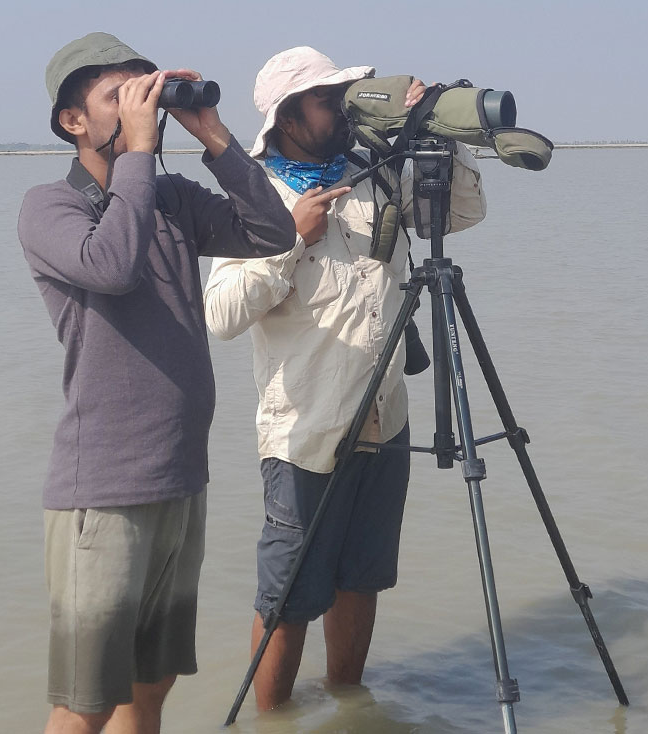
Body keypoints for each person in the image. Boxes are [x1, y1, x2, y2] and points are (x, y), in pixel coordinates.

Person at [17, 32, 296, 734]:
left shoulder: (169, 196)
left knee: (150, 685)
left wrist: (214, 136)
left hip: (181, 478)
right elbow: (111, 265)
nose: (140, 108)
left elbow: (272, 233)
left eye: (147, 94)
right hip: (103, 491)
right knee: (85, 700)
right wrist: (139, 152)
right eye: (118, 97)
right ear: (71, 121)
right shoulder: (50, 208)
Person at [203, 46, 488, 710]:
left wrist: (441, 136)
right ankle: (270, 720)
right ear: (287, 115)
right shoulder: (258, 195)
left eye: (342, 95)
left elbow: (461, 216)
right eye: (327, 99)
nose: (343, 107)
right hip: (305, 429)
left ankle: (348, 705)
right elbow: (219, 315)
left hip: (385, 414)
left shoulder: (373, 173)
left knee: (363, 578)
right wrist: (292, 240)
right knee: (289, 596)